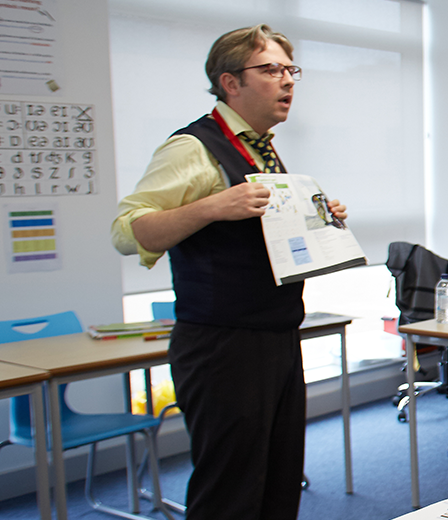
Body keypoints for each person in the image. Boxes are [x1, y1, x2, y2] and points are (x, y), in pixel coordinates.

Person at [111, 25, 328, 519]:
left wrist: (317, 217)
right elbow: (127, 231)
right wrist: (211, 207)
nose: (288, 81)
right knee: (230, 492)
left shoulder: (261, 146)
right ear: (230, 82)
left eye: (290, 70)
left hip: (274, 334)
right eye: (271, 70)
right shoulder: (192, 147)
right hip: (222, 346)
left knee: (277, 483)